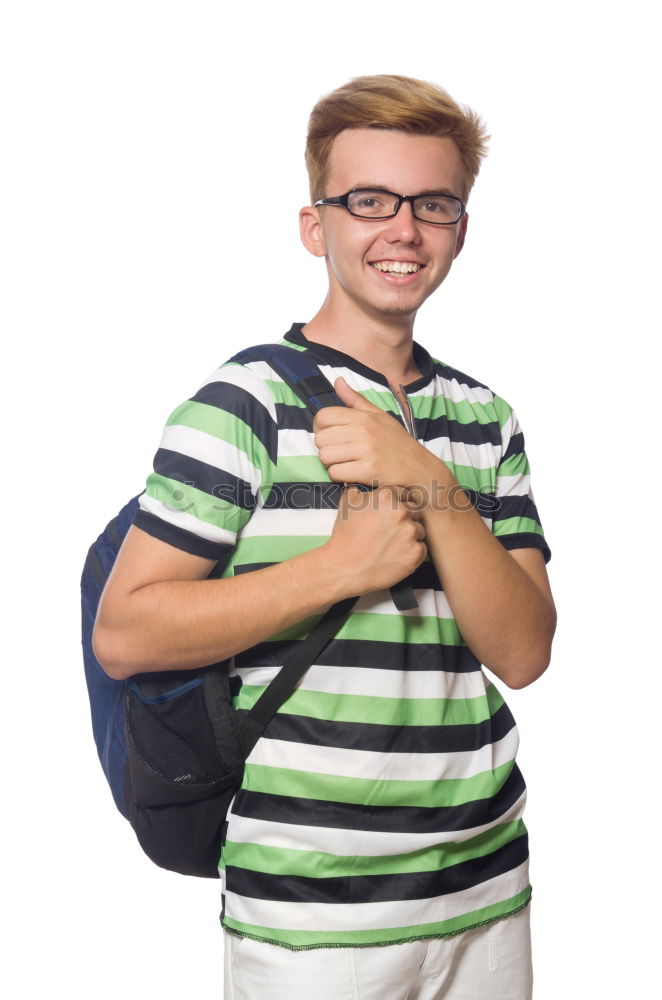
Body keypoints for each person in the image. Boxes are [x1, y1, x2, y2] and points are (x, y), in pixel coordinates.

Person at [94, 74, 556, 1000]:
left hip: (487, 883)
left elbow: (524, 649)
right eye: (369, 202)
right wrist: (339, 568)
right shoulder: (245, 402)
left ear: (461, 229)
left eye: (433, 205)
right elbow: (126, 633)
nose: (403, 230)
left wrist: (426, 480)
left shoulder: (485, 417)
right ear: (318, 227)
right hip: (314, 919)